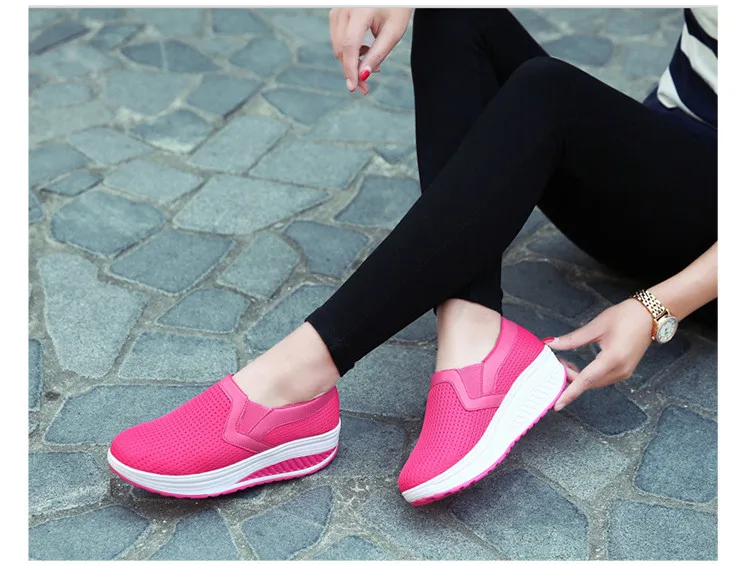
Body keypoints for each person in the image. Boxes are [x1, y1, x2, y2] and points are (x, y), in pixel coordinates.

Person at [107, 8, 717, 505]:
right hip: (663, 159)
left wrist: (659, 307)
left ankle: (294, 379)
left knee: (550, 92)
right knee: (454, 14)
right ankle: (474, 341)